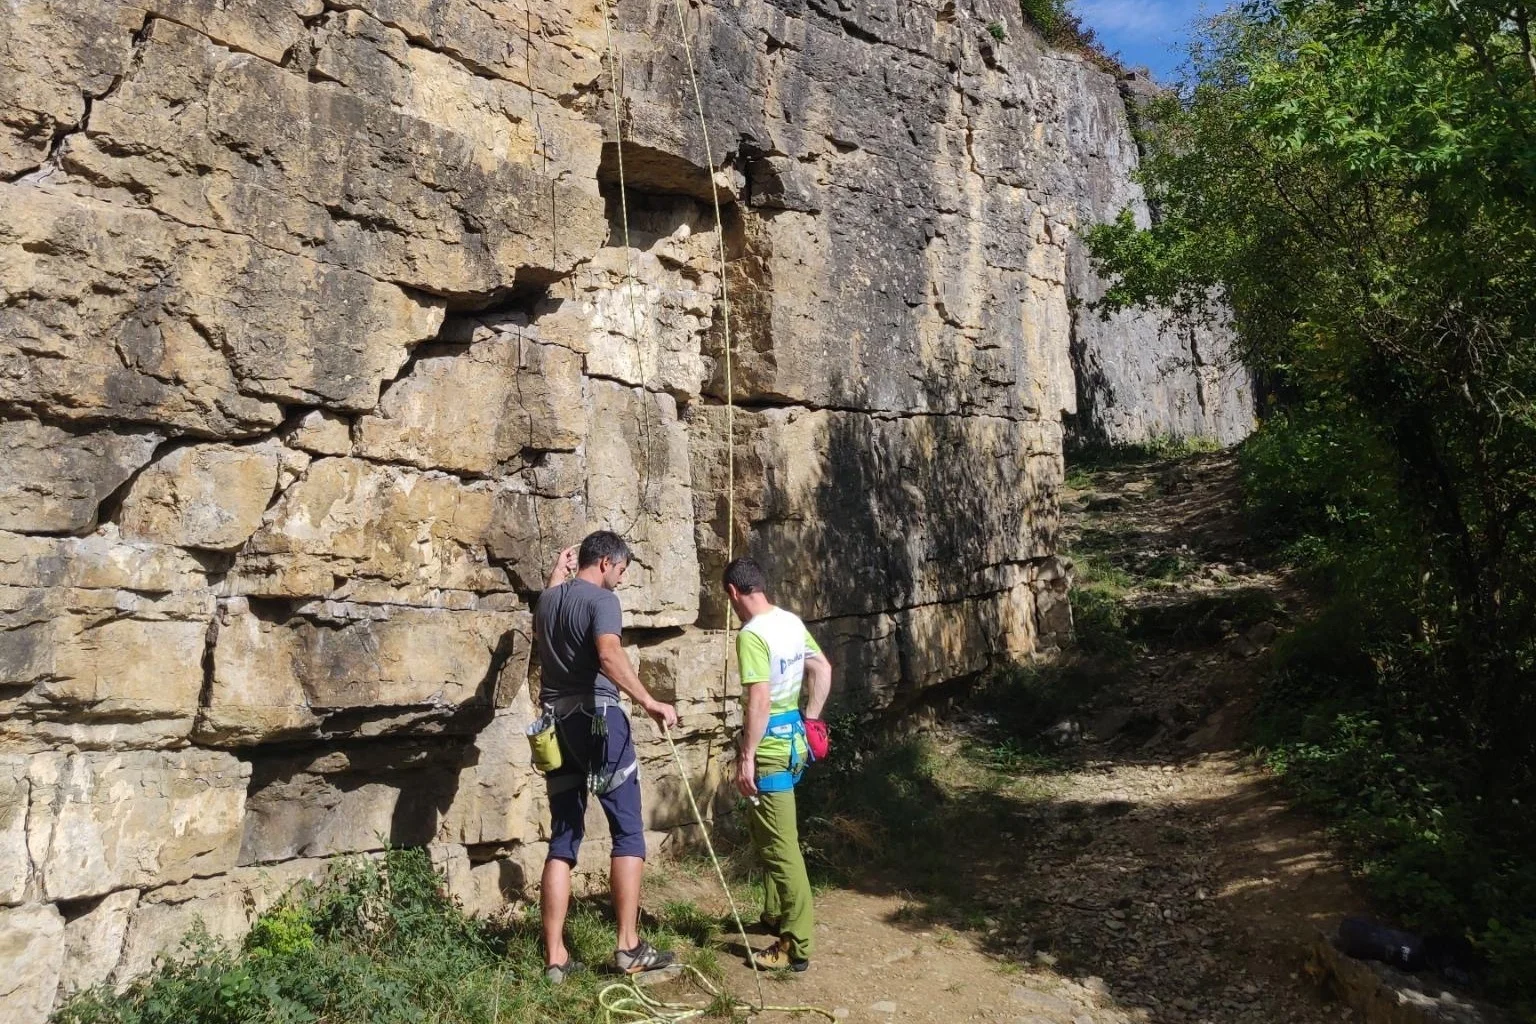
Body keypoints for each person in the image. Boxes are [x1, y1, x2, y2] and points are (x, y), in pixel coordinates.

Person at [534, 530, 679, 983]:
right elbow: (610, 656)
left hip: (555, 727)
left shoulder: (547, 601)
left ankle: (555, 956)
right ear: (604, 564)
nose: (619, 580)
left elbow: (556, 593)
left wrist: (557, 576)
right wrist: (649, 701)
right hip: (598, 723)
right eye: (620, 571)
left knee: (563, 840)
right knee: (628, 834)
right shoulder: (602, 602)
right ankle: (628, 946)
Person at [723, 556, 832, 973]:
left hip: (768, 748)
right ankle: (774, 914)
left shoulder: (751, 634)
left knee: (783, 848)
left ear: (734, 592)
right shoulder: (789, 621)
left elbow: (760, 700)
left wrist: (746, 756)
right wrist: (812, 719)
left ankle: (796, 944)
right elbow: (821, 667)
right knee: (765, 830)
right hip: (795, 742)